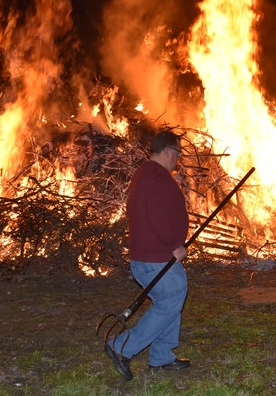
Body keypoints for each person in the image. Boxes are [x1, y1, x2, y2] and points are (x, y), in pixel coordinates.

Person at [105, 131, 191, 381]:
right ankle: (121, 347)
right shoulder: (157, 177)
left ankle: (162, 356)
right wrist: (175, 244)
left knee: (170, 298)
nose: (178, 158)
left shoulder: (144, 173)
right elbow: (156, 215)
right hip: (157, 257)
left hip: (147, 257)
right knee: (172, 296)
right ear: (167, 151)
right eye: (178, 152)